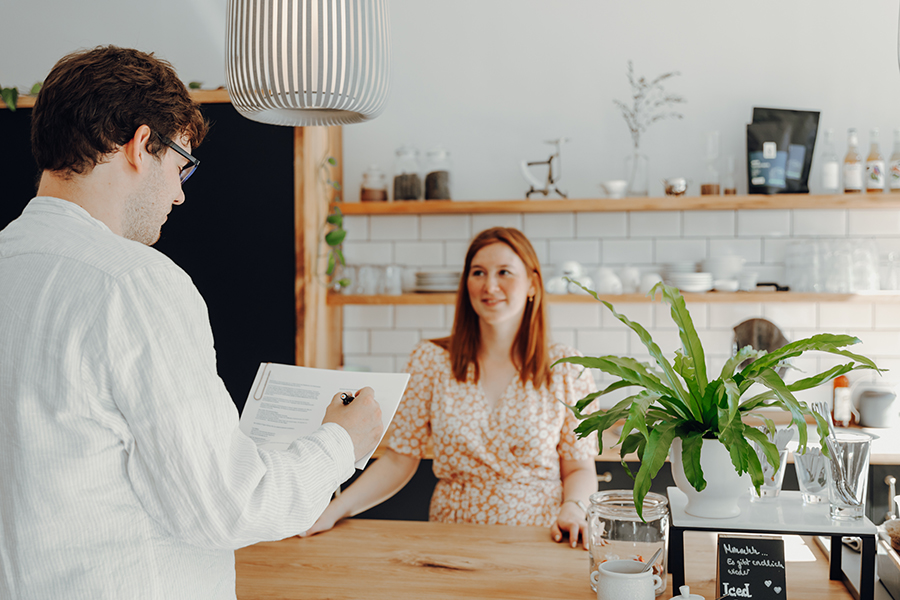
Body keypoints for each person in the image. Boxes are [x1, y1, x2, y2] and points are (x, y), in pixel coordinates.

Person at [0, 46, 383, 599]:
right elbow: (229, 504)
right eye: (181, 164)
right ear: (139, 146)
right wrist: (341, 445)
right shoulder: (133, 283)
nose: (180, 194)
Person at [304, 227, 598, 548]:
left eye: (504, 272)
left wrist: (574, 508)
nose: (490, 285)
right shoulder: (430, 360)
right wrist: (334, 510)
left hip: (540, 539)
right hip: (451, 542)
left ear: (533, 284)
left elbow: (580, 467)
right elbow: (399, 459)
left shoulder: (566, 366)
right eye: (478, 273)